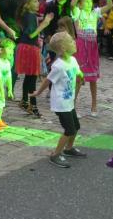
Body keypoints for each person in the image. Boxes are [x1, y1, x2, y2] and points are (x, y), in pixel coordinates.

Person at [31, 32, 87, 168]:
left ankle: (69, 148)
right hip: (61, 104)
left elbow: (77, 71)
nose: (74, 42)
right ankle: (55, 154)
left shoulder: (73, 60)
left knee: (76, 127)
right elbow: (48, 80)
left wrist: (81, 76)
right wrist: (38, 92)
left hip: (69, 102)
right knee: (69, 129)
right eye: (71, 41)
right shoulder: (58, 66)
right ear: (63, 48)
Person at [71, 0, 113, 117]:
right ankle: (72, 105)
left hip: (92, 46)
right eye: (86, 2)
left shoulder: (95, 12)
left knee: (93, 78)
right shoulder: (78, 12)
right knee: (79, 77)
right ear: (81, 4)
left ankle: (94, 104)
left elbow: (110, 5)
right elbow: (72, 4)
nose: (89, 4)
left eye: (90, 1)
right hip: (81, 46)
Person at [15, 0, 53, 118]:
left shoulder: (28, 15)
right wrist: (45, 23)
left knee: (29, 77)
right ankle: (33, 105)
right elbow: (31, 34)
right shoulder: (30, 16)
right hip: (29, 48)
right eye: (35, 1)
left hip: (26, 47)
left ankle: (25, 101)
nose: (38, 3)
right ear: (27, 4)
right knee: (32, 78)